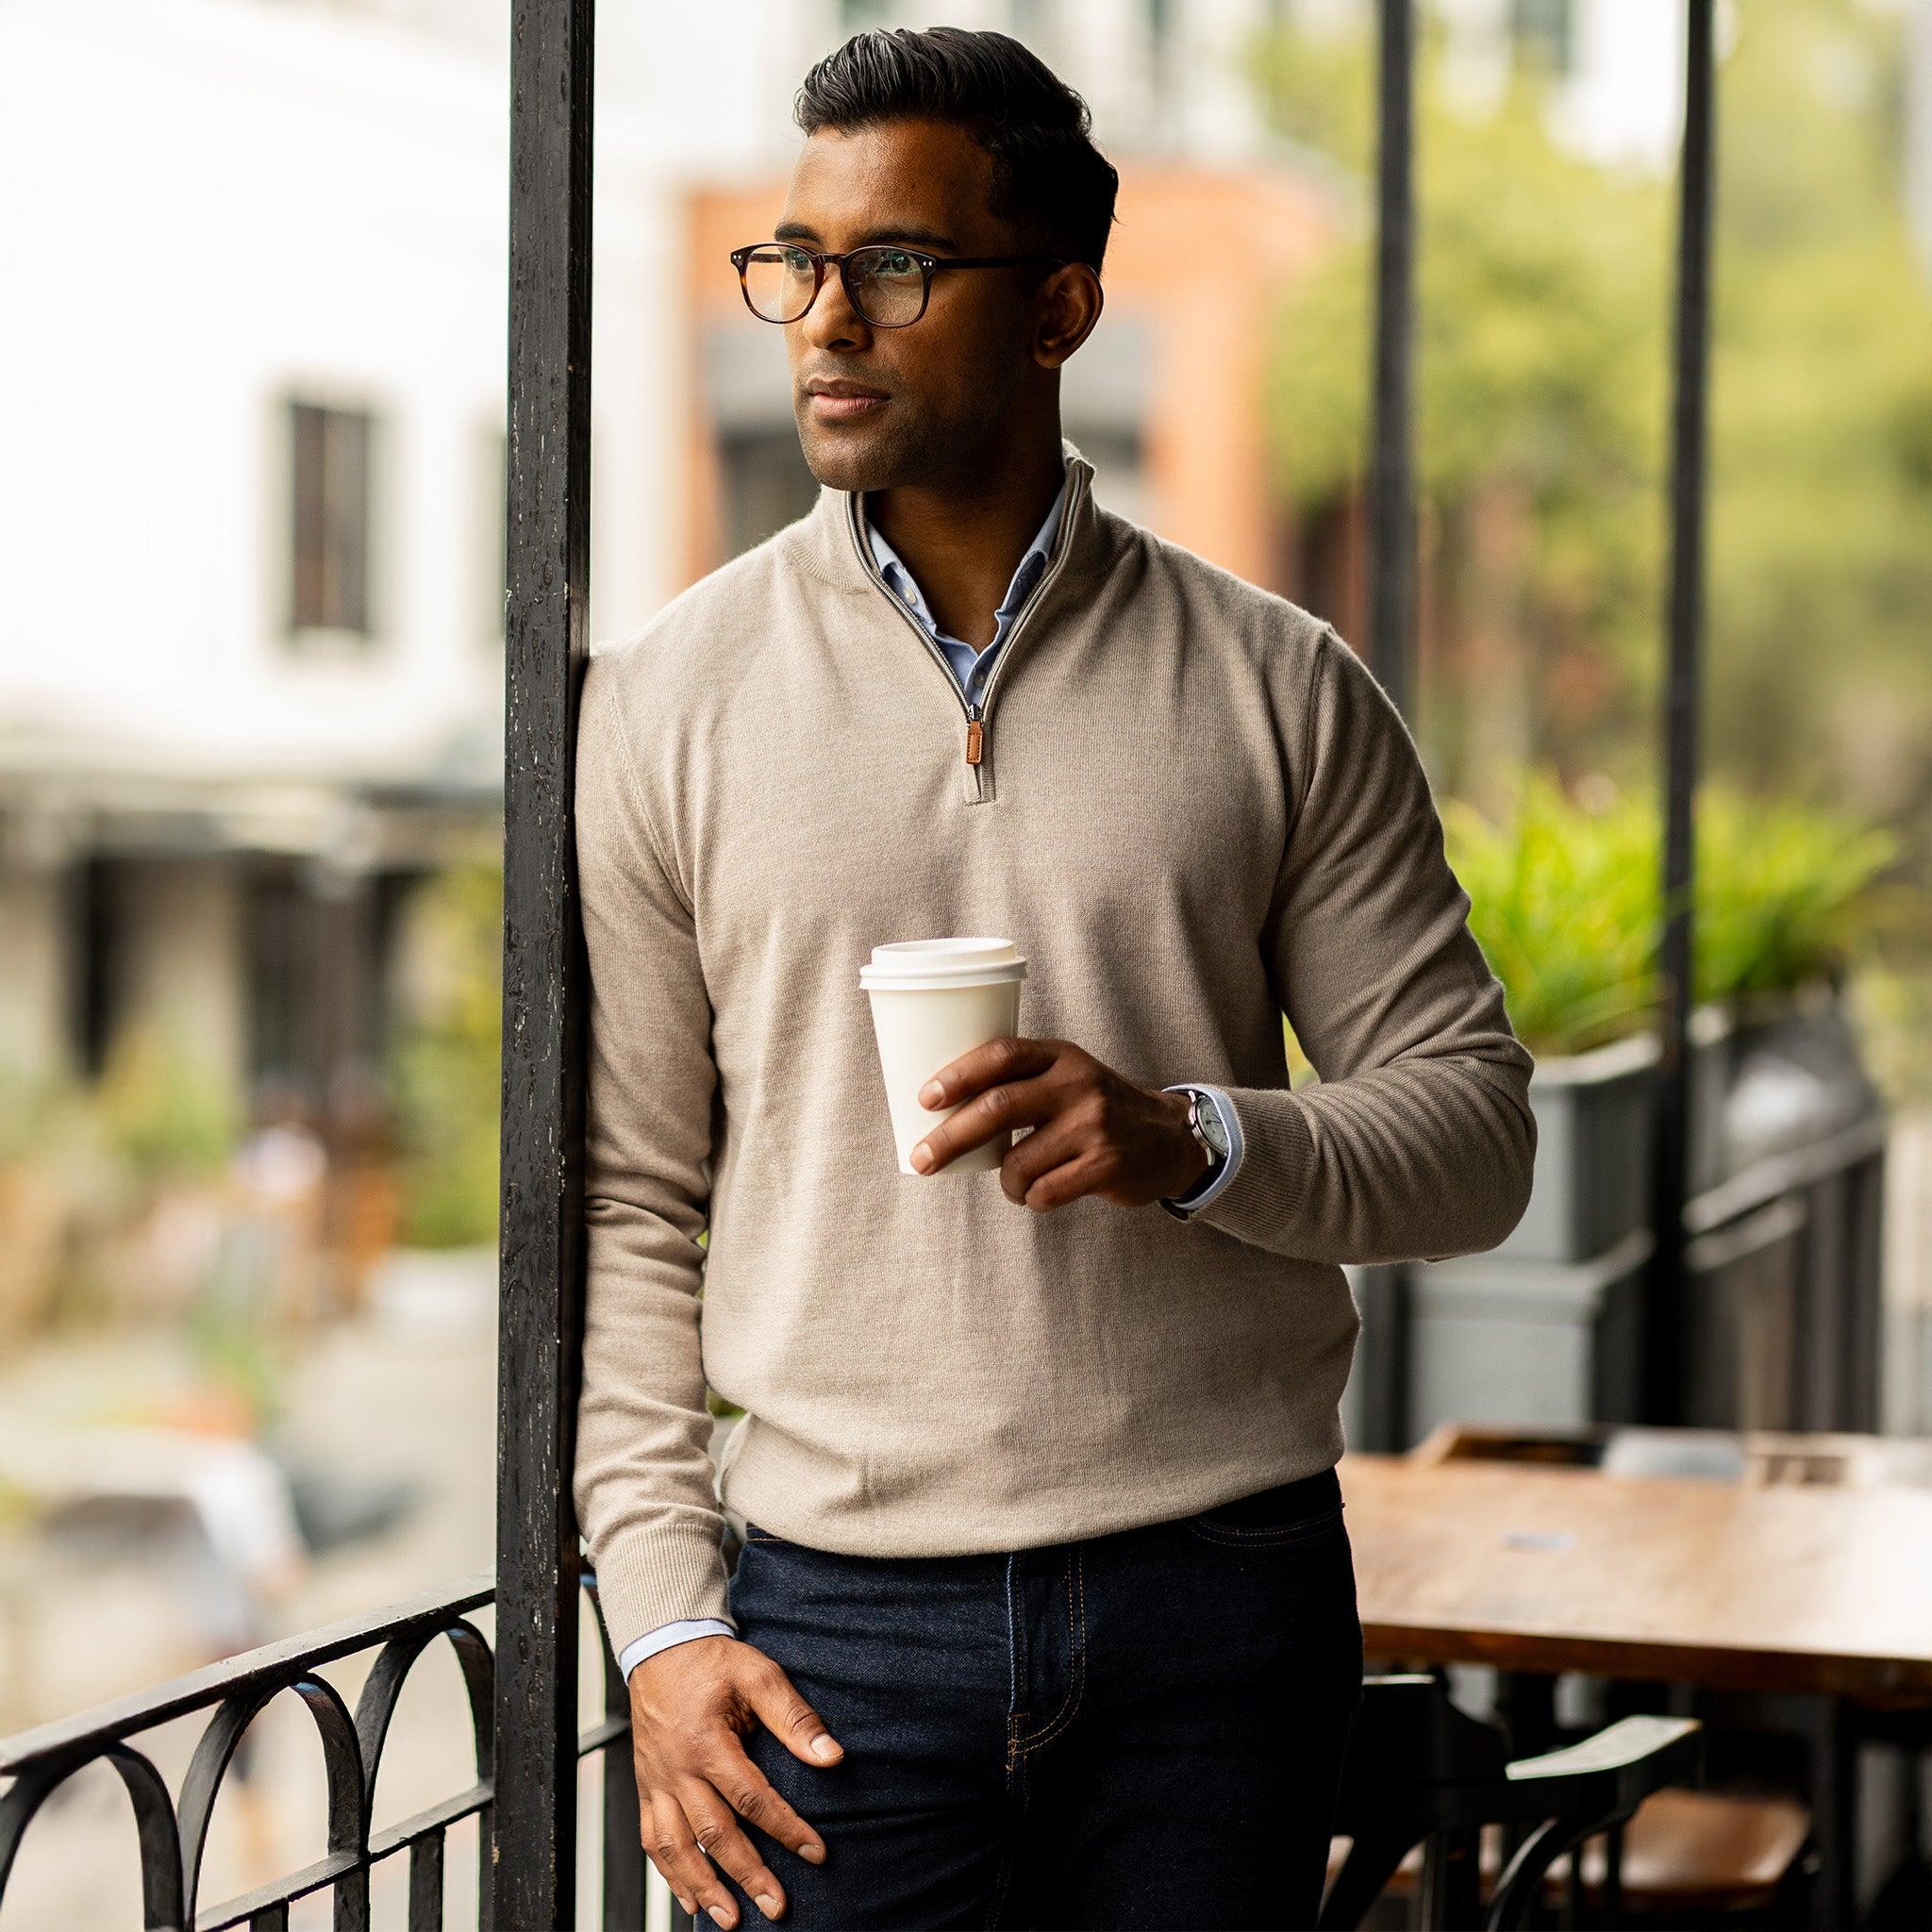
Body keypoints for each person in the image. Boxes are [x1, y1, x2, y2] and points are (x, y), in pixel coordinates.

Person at [572, 25, 1536, 1931]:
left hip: (1219, 1594)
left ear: (1062, 307)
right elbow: (624, 1206)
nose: (824, 319)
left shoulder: (1276, 688)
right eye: (796, 264)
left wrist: (1190, 1137)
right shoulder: (668, 701)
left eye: (897, 266)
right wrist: (663, 1617)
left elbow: (1472, 1138)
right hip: (830, 1622)